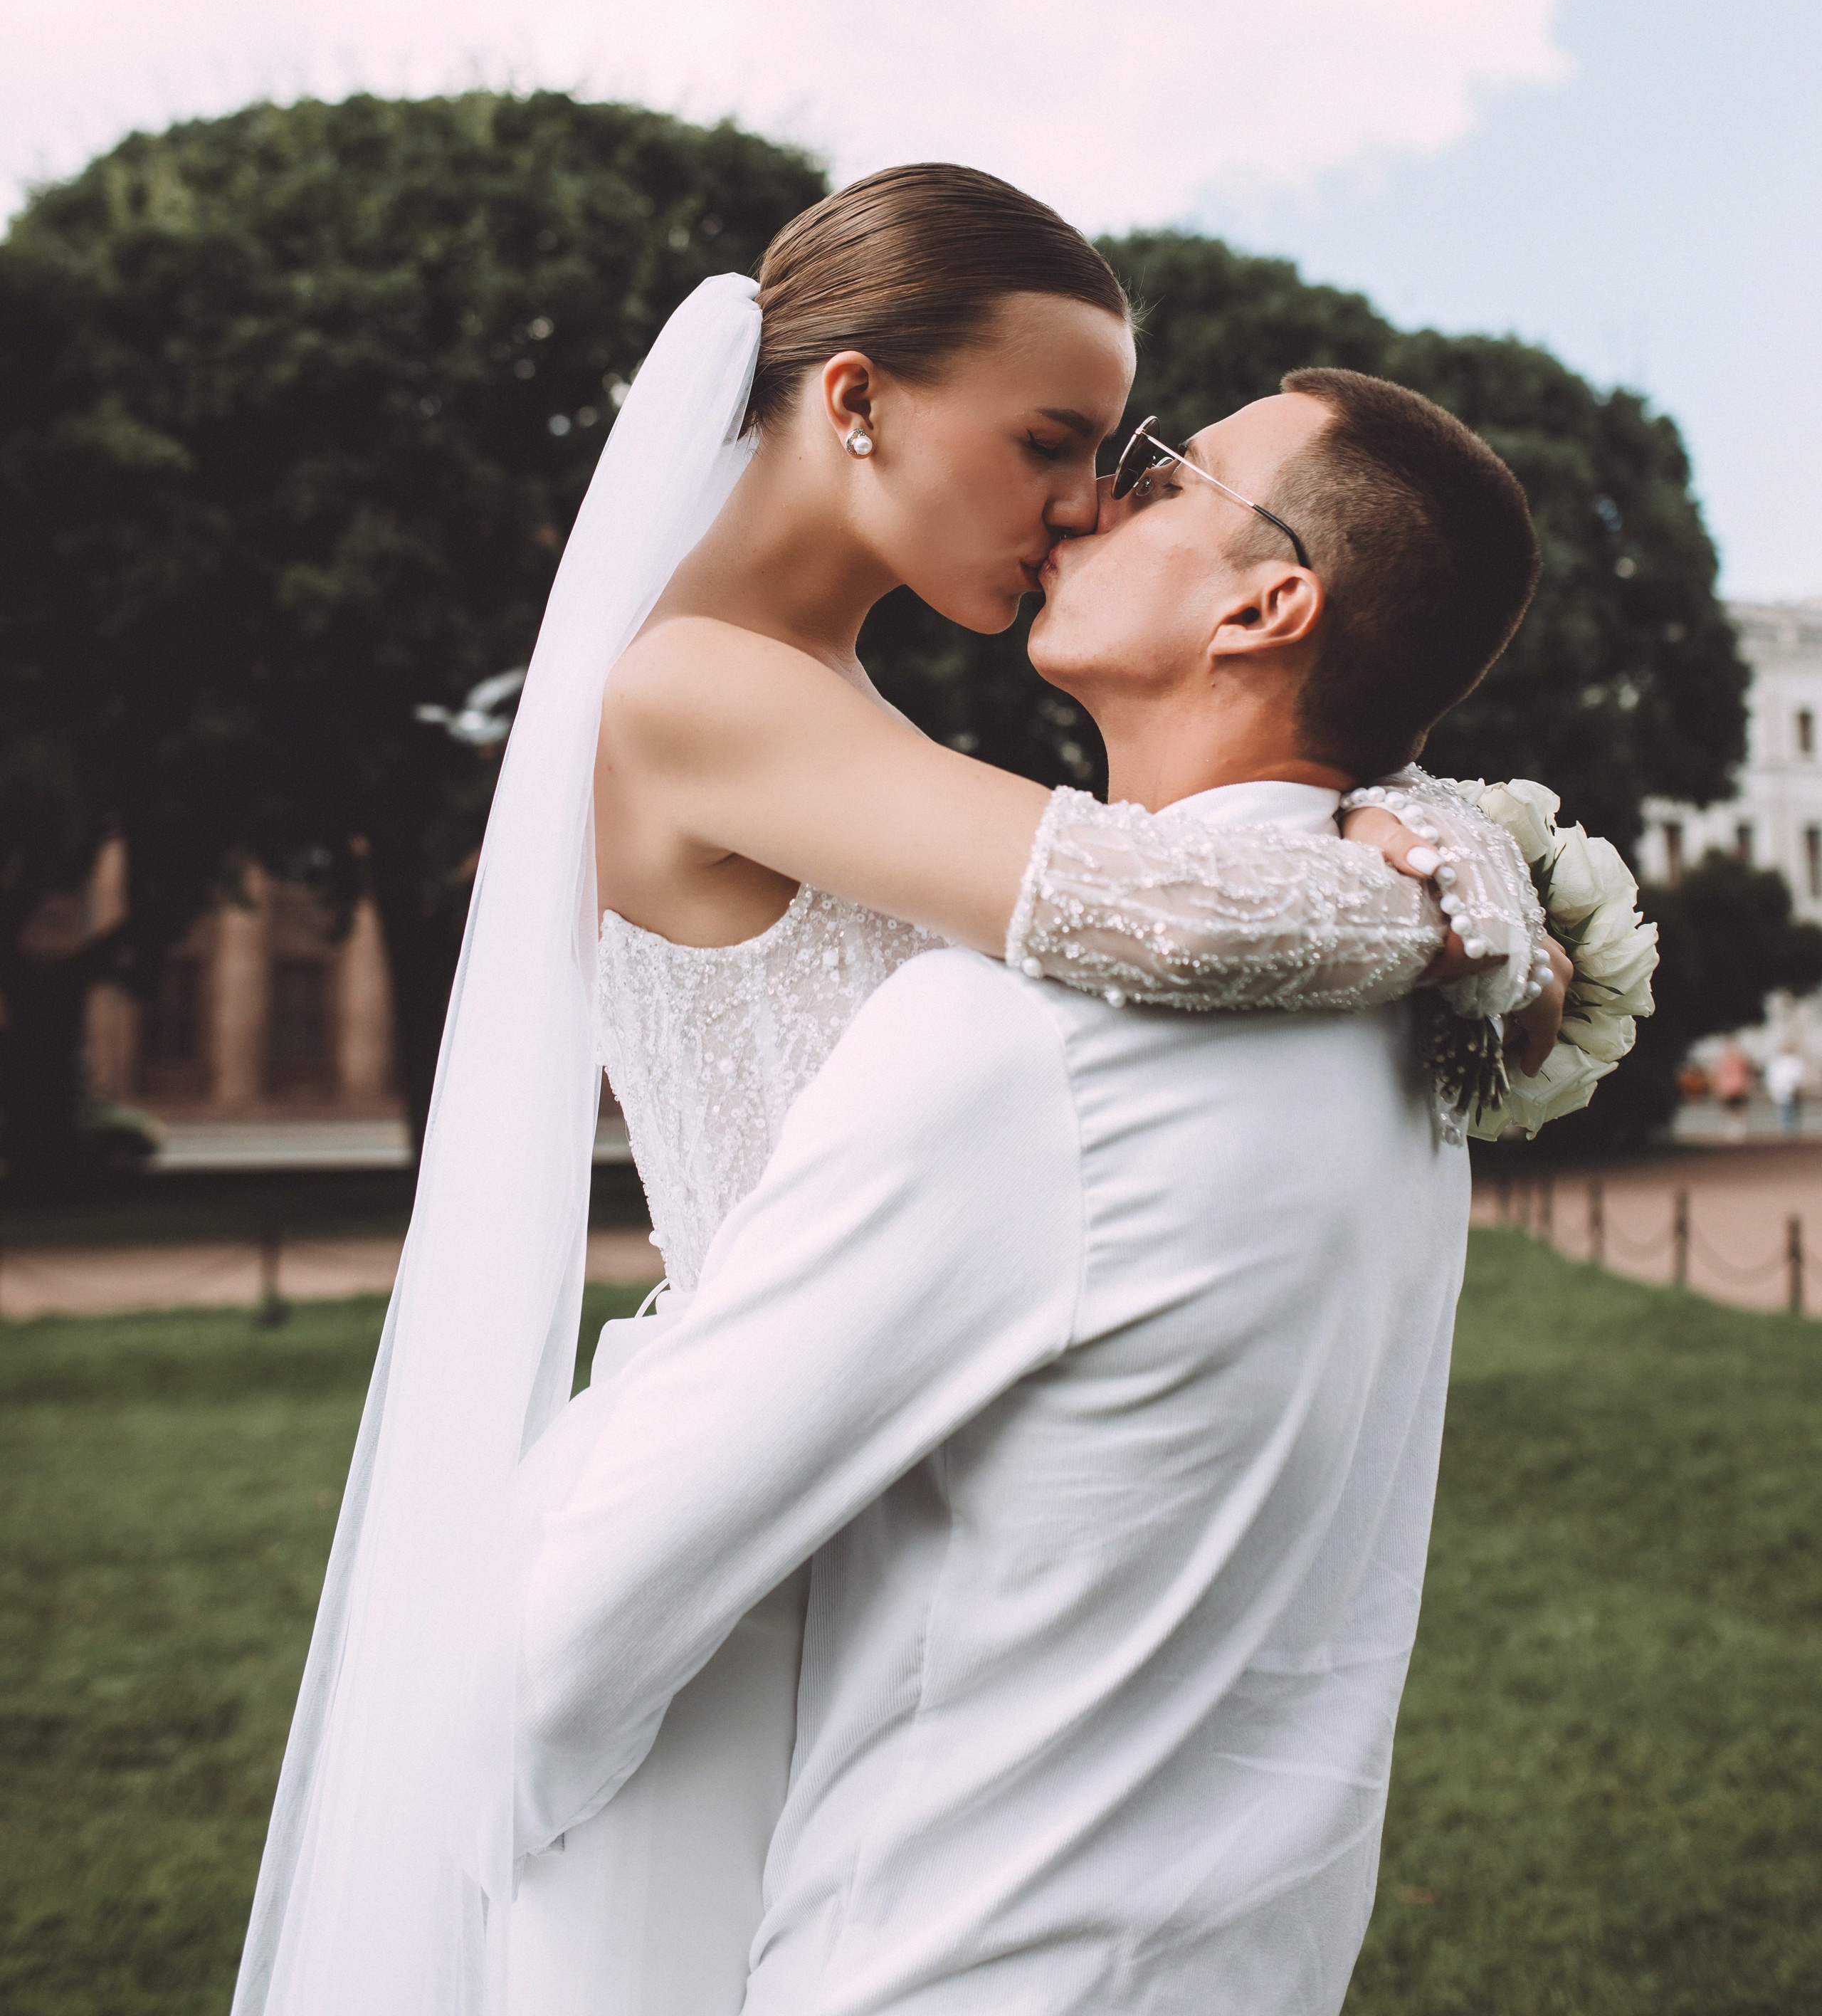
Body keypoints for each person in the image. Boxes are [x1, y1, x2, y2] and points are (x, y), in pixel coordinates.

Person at [233, 169, 1557, 2016]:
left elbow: (1130, 896)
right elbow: (1146, 906)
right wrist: (1456, 871)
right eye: (1050, 441)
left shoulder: (842, 717)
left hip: (889, 1474)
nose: (1086, 500)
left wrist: (1430, 837)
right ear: (854, 403)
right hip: (736, 1511)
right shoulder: (703, 692)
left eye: (1119, 455)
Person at [512, 367, 1551, 2014]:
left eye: (1159, 477)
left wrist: (537, 1882)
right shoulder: (1425, 1016)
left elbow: (567, 1632)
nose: (1086, 497)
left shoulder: (1018, 1042)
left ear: (1264, 599)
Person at [1767, 1046, 1806, 1134]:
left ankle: (1789, 1133)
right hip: (1783, 1091)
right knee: (1785, 1114)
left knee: (1790, 1114)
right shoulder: (1779, 1062)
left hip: (1790, 1091)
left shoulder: (1790, 1061)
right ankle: (1788, 1133)